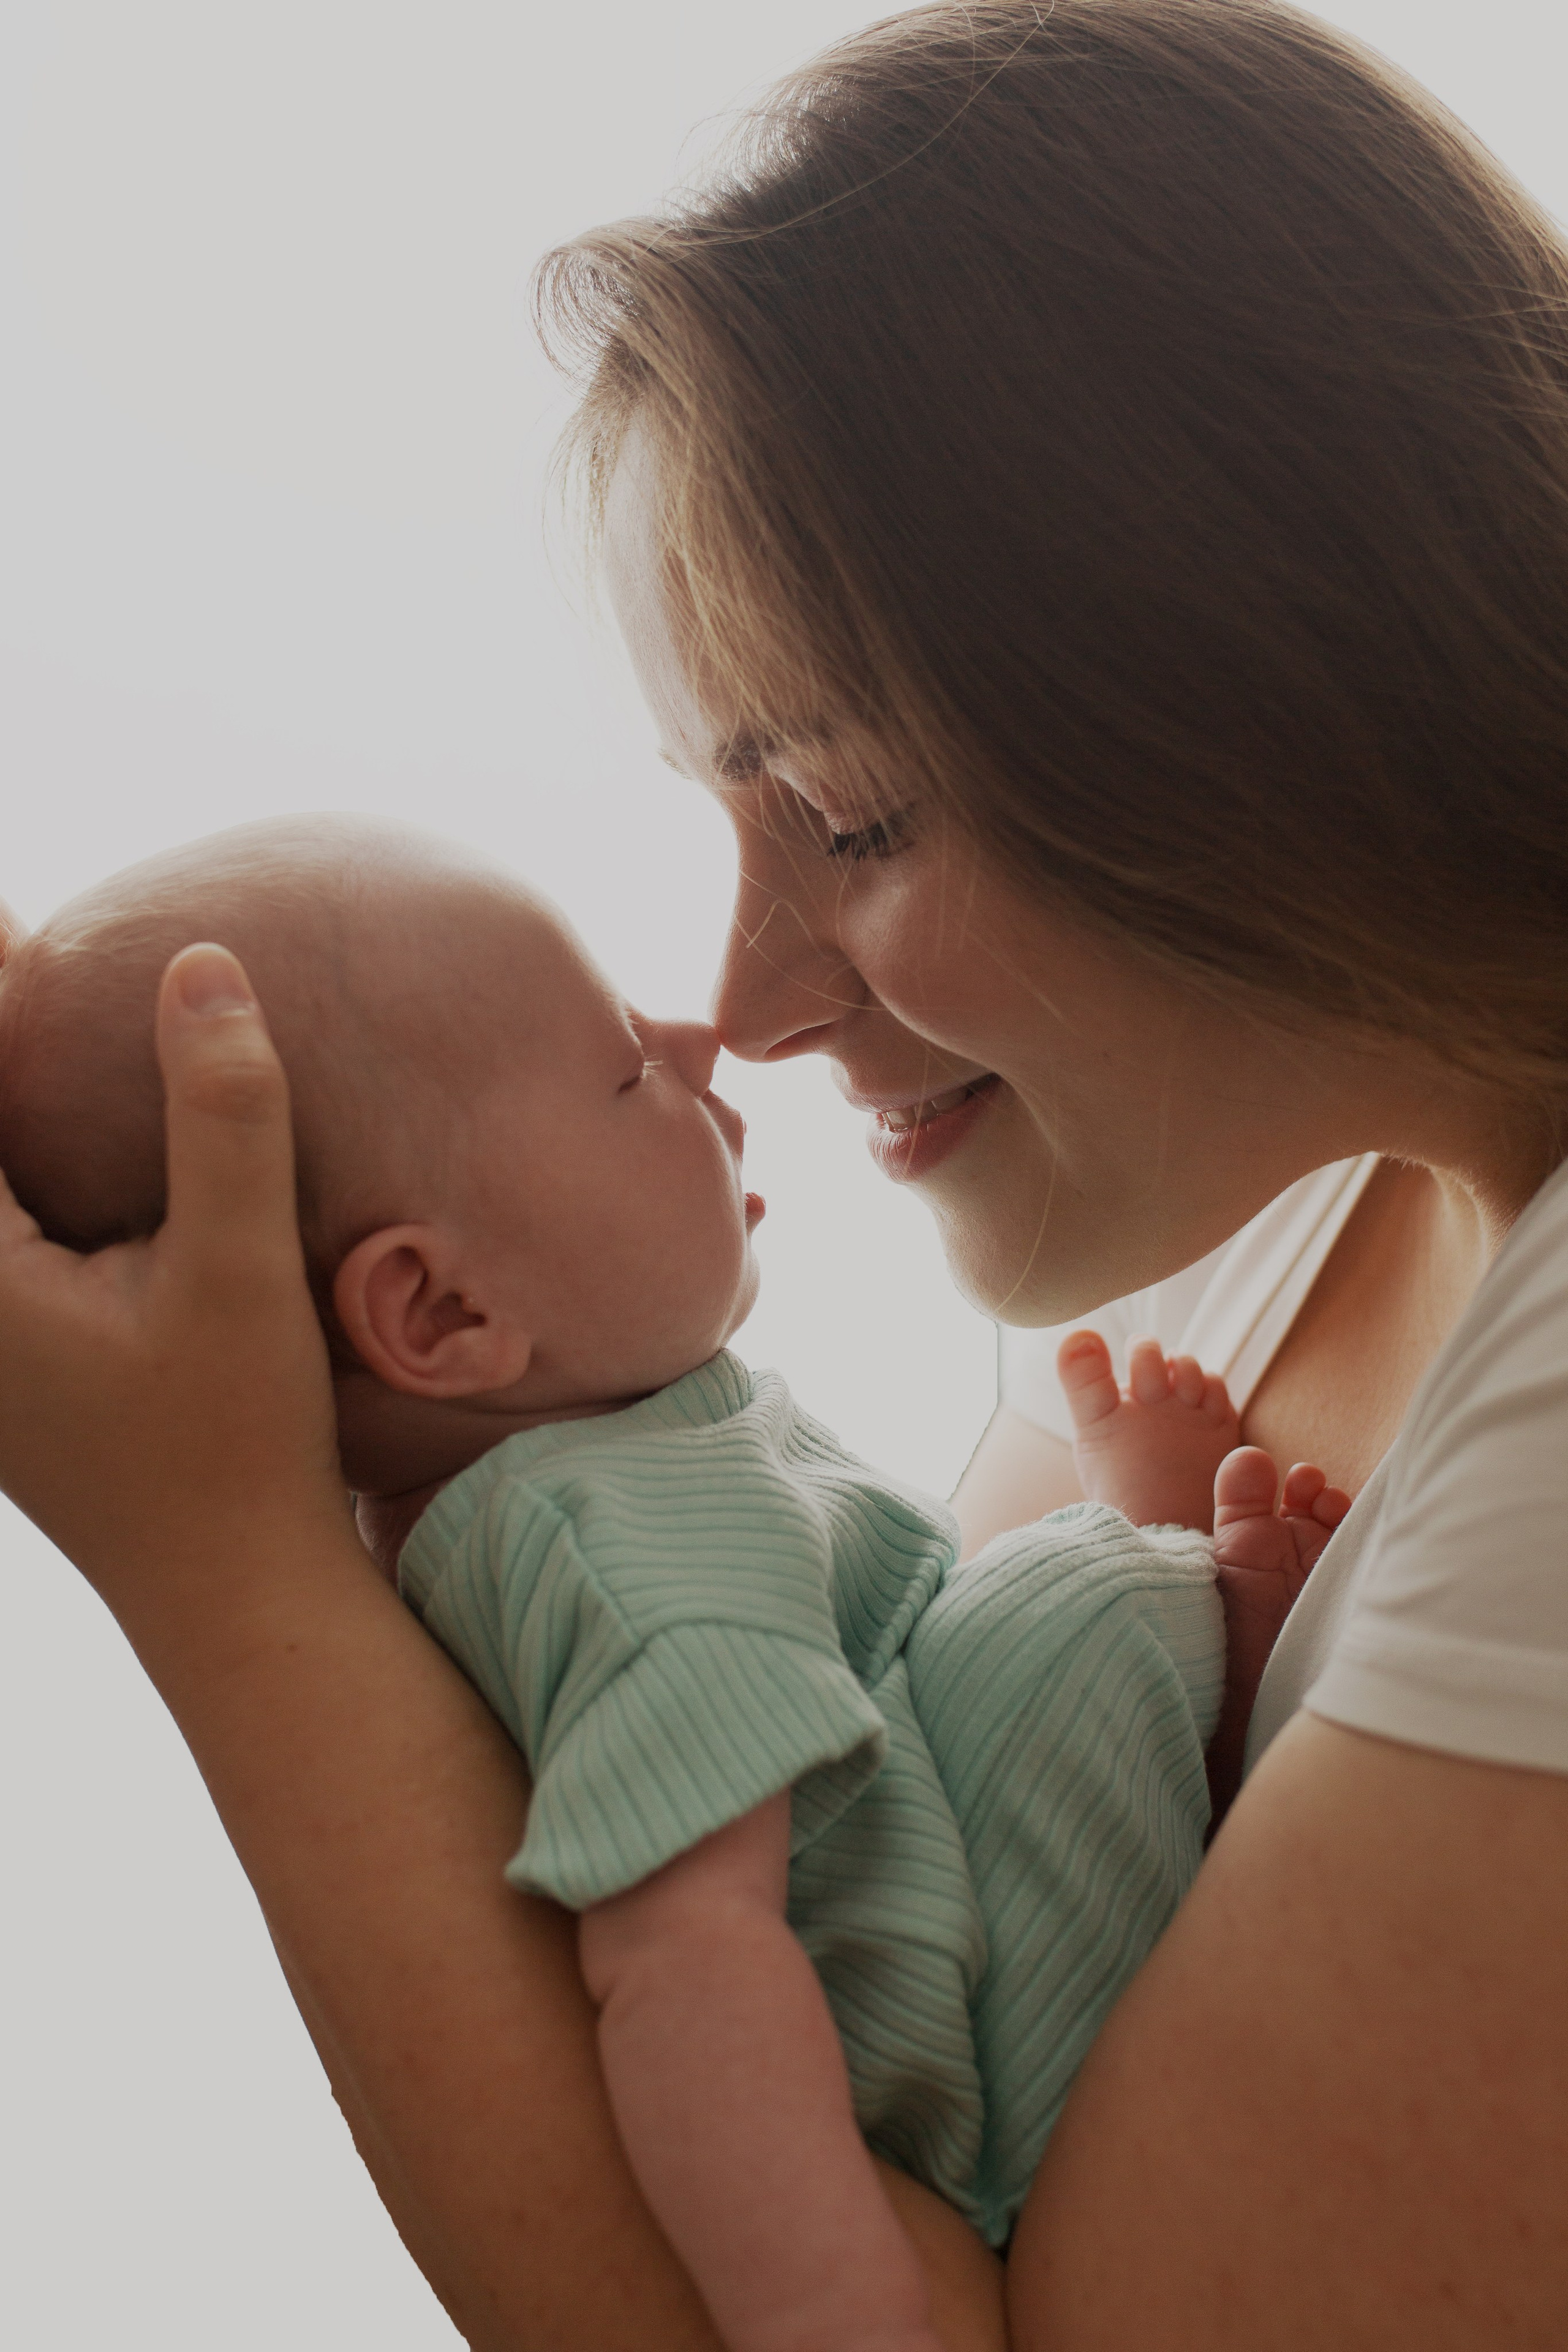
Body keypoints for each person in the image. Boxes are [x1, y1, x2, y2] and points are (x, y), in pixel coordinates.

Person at [1, 1, 1566, 2342]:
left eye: (846, 820)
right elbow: (953, 1995)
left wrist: (234, 1589)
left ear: (1258, 702)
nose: (732, 1004)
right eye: (718, 814)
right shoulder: (1234, 1193)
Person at [0, 816, 1343, 2351]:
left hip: (954, 1921)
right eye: (623, 1071)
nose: (698, 1033)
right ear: (440, 1312)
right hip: (993, 2077)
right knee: (1062, 1610)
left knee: (989, 1615)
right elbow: (681, 1958)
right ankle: (1181, 1605)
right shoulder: (613, 1543)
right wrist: (826, 2296)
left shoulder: (573, 1484)